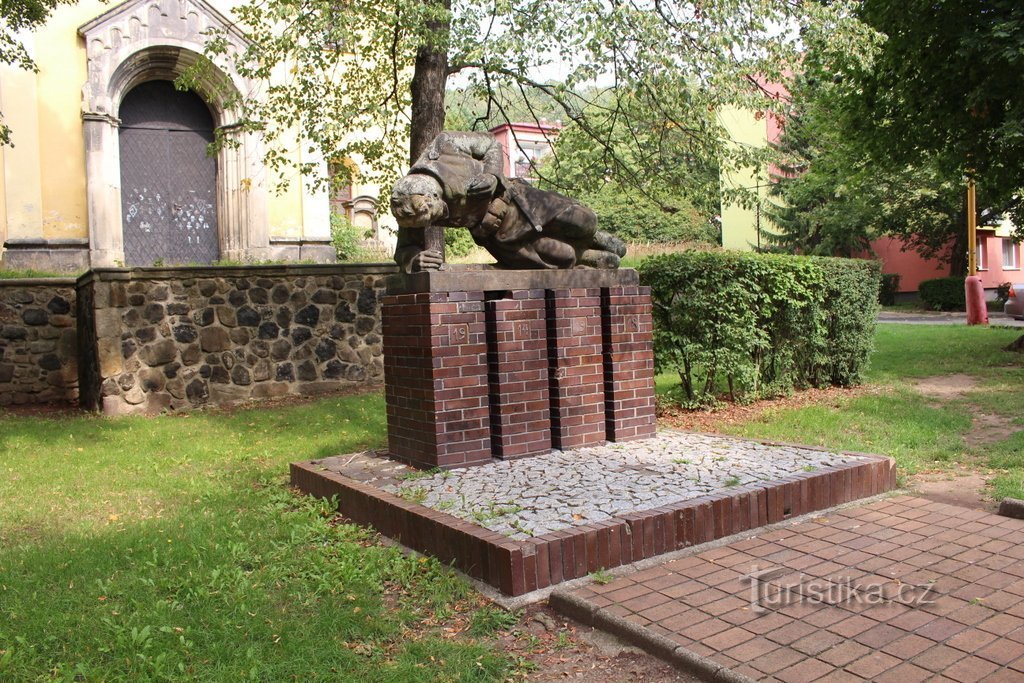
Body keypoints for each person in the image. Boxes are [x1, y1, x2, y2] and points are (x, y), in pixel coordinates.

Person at [391, 131, 625, 273]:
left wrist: (491, 174)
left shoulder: (446, 145)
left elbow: (492, 143)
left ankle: (596, 237)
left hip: (518, 201)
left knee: (582, 220)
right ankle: (591, 257)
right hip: (496, 234)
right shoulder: (407, 206)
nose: (439, 218)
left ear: (433, 196)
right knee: (562, 257)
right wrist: (415, 259)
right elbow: (404, 250)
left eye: (434, 213)